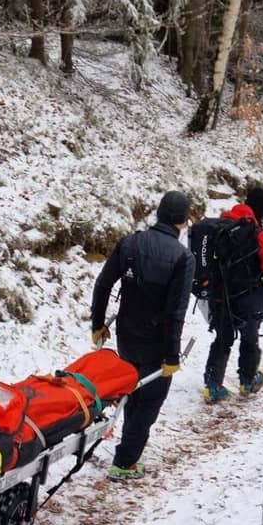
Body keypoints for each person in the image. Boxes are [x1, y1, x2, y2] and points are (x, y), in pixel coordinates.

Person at [90, 190, 195, 481]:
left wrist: (97, 324)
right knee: (149, 400)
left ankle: (125, 449)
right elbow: (176, 311)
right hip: (157, 341)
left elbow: (103, 284)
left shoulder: (131, 243)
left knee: (134, 387)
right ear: (183, 221)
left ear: (159, 214)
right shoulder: (183, 258)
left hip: (127, 334)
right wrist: (172, 355)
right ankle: (124, 462)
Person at [203, 186, 263, 402]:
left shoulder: (220, 225)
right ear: (261, 212)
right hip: (246, 295)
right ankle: (248, 381)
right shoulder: (253, 230)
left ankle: (212, 385)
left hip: (219, 296)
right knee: (249, 337)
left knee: (222, 339)